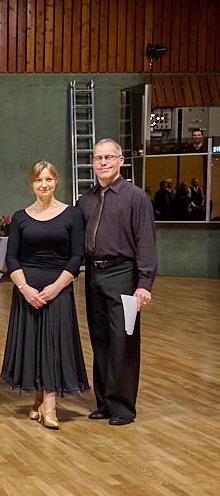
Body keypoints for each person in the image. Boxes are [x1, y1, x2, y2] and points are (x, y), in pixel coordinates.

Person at [0, 161, 88, 429]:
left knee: (53, 345)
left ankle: (50, 404)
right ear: (31, 184)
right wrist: (25, 289)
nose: (44, 184)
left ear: (56, 181)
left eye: (48, 179)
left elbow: (77, 257)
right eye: (39, 180)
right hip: (28, 290)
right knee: (33, 344)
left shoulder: (72, 215)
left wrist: (55, 288)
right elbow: (12, 258)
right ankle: (38, 397)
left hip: (57, 289)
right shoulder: (20, 217)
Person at [78, 138, 156, 426]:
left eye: (109, 157)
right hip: (94, 277)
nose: (103, 162)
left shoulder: (136, 198)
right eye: (98, 158)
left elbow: (146, 243)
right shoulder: (85, 200)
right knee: (100, 340)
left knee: (124, 340)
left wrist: (144, 283)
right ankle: (104, 402)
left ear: (121, 161)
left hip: (124, 277)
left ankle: (122, 406)